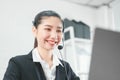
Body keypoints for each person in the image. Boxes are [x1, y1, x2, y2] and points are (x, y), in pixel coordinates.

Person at [3, 10, 80, 80]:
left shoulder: (66, 67)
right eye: (48, 29)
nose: (54, 35)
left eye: (58, 30)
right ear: (34, 31)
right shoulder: (17, 64)